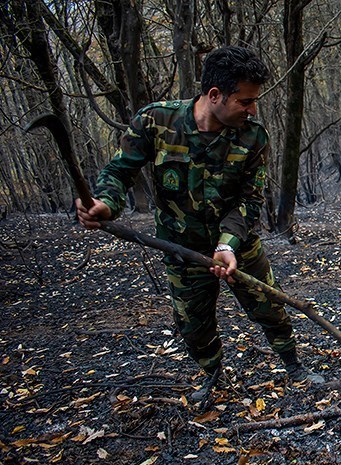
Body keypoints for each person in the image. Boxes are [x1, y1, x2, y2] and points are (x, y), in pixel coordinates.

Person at [76, 45, 322, 409]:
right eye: (246, 101)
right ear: (214, 95)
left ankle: (293, 365)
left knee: (270, 307)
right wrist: (105, 204)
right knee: (194, 327)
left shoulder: (253, 137)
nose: (253, 109)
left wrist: (227, 245)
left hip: (238, 246)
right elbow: (118, 172)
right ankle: (212, 375)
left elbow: (250, 200)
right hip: (181, 249)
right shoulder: (156, 121)